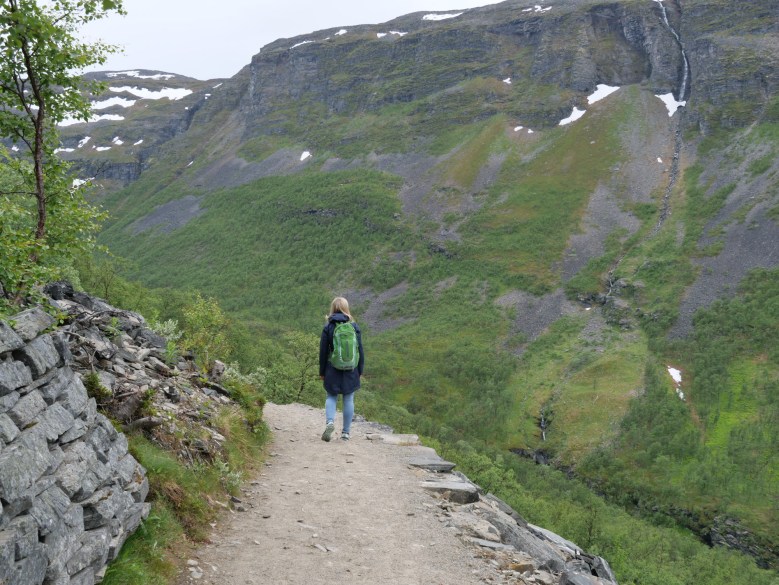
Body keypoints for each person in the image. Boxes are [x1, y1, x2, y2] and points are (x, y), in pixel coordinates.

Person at [319, 296, 364, 441]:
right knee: (348, 398)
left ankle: (330, 422)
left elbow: (323, 351)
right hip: (351, 369)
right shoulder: (354, 327)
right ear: (346, 309)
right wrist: (360, 370)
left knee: (331, 396)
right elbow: (360, 350)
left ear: (333, 308)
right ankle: (345, 433)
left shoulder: (328, 327)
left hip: (332, 368)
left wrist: (322, 371)